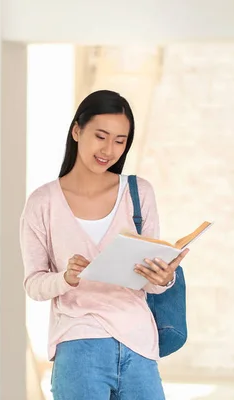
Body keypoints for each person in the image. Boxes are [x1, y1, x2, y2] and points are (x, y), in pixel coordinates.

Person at [19, 90, 189, 400]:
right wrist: (65, 278)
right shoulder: (42, 203)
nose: (109, 149)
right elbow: (33, 284)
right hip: (78, 345)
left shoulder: (139, 193)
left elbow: (150, 285)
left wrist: (164, 279)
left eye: (120, 141)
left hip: (138, 345)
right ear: (76, 130)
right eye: (101, 136)